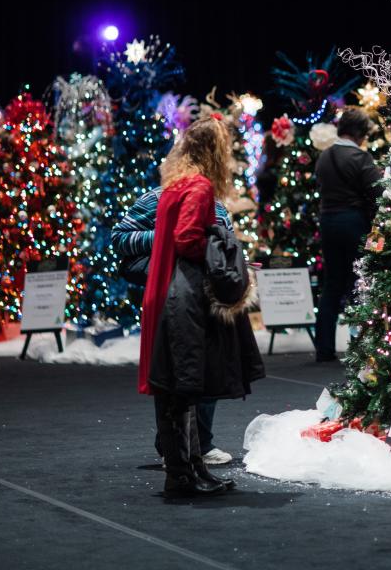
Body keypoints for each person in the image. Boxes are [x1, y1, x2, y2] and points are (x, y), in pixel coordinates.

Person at [140, 117, 265, 497]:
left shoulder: (177, 184)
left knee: (177, 385)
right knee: (183, 385)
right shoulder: (198, 186)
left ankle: (188, 469)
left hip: (165, 289)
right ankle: (182, 473)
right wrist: (220, 243)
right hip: (184, 295)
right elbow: (188, 239)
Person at [111, 185, 236, 466]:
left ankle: (198, 444)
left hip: (206, 293)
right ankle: (177, 447)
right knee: (179, 369)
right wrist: (167, 237)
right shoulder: (157, 197)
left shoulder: (215, 202)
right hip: (172, 295)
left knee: (205, 368)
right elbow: (120, 238)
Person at [314, 107, 381, 362]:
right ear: (359, 133)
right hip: (353, 223)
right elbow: (377, 194)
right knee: (358, 282)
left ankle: (324, 347)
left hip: (328, 221)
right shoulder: (360, 158)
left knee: (332, 284)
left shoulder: (324, 157)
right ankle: (358, 344)